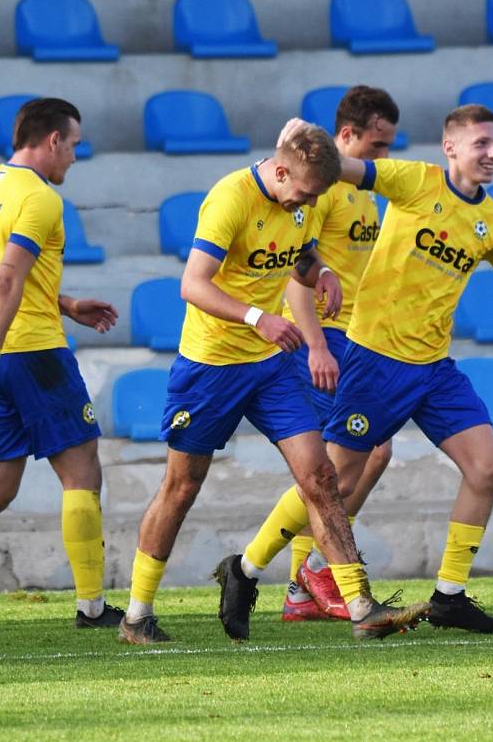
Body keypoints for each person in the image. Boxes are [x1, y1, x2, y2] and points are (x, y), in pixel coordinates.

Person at [244, 105, 493, 635]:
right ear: (450, 148)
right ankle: (246, 569)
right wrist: (294, 145)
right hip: (375, 360)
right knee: (334, 478)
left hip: (434, 368)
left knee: (487, 468)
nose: (492, 154)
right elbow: (341, 168)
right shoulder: (412, 181)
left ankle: (448, 595)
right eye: (481, 144)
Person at [117, 123, 430, 645]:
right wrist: (257, 317)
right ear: (280, 170)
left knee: (321, 476)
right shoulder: (229, 199)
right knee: (181, 487)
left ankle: (360, 606)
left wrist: (323, 270)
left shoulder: (301, 200)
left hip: (270, 366)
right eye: (304, 193)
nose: (307, 203)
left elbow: (301, 254)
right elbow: (192, 284)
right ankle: (136, 615)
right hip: (211, 366)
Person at [0, 98, 123, 634]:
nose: (76, 157)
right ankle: (92, 608)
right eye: (74, 144)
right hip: (31, 354)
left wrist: (69, 304)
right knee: (81, 472)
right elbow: (8, 279)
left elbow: (3, 277)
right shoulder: (41, 198)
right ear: (52, 140)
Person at [279, 86, 399, 623]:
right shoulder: (322, 187)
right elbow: (293, 268)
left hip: (361, 337)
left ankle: (305, 583)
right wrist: (316, 345)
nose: (383, 159)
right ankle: (310, 577)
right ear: (345, 137)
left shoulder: (364, 192)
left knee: (369, 455)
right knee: (333, 466)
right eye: (376, 146)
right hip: (329, 341)